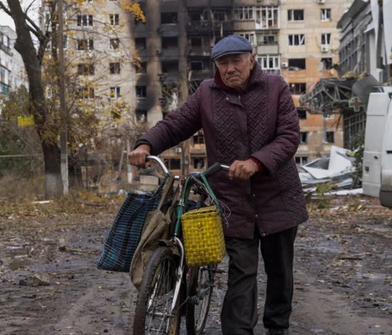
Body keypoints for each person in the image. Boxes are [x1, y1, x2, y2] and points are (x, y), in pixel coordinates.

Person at [128, 35, 308, 335]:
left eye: (236, 61)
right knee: (242, 272)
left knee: (280, 273)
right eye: (222, 63)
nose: (229, 68)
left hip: (277, 197)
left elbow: (289, 137)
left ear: (251, 60)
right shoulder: (207, 94)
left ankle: (277, 328)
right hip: (232, 202)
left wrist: (256, 162)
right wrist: (147, 144)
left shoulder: (275, 87)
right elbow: (176, 124)